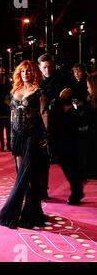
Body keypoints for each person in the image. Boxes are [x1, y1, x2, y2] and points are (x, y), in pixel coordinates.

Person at [0, 60, 49, 229]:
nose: (26, 74)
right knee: (23, 174)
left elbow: (44, 113)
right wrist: (11, 138)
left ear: (34, 73)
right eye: (23, 71)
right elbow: (12, 114)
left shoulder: (39, 91)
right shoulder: (15, 90)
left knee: (26, 173)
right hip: (17, 136)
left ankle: (12, 211)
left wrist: (48, 135)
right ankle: (33, 212)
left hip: (33, 135)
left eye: (29, 71)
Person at [38, 54, 84, 204]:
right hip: (44, 125)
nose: (48, 69)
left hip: (63, 126)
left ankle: (77, 191)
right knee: (42, 159)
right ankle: (42, 189)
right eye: (44, 67)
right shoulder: (38, 82)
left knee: (66, 159)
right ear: (40, 68)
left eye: (50, 66)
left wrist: (68, 100)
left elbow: (79, 92)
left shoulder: (64, 77)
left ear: (54, 65)